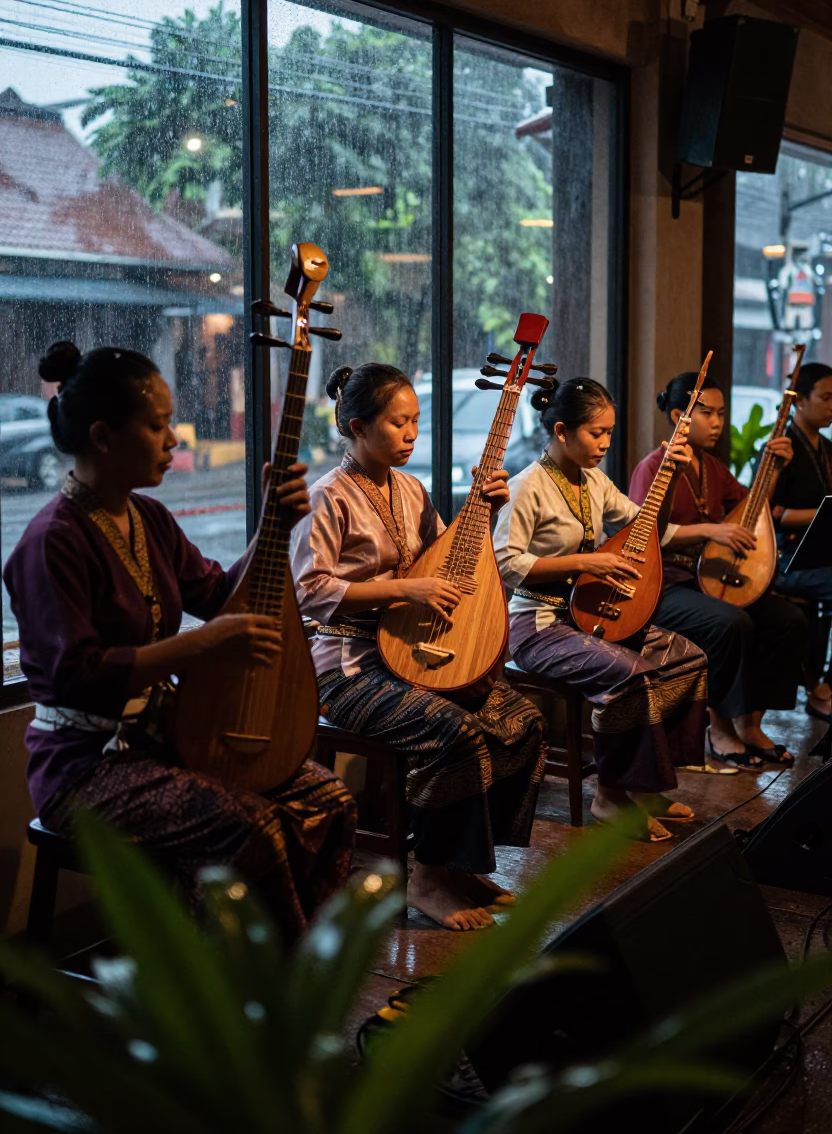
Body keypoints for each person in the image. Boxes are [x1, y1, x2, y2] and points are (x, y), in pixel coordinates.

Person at [3, 342, 356, 943]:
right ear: (103, 437)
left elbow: (221, 594)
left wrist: (276, 524)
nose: (174, 441)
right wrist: (203, 646)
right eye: (157, 426)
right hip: (84, 767)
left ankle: (294, 971)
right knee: (254, 831)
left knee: (330, 800)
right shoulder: (50, 542)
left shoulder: (150, 519)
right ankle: (243, 1001)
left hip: (163, 740)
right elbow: (76, 676)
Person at [290, 363, 546, 932]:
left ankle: (463, 865)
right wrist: (406, 588)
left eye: (414, 423)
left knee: (521, 719)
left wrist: (487, 510)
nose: (411, 434)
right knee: (452, 732)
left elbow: (448, 560)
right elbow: (310, 592)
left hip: (411, 649)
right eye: (397, 423)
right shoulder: (325, 498)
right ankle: (426, 879)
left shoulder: (411, 490)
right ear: (357, 426)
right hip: (345, 667)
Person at [493, 377, 707, 843]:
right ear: (563, 431)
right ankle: (610, 796)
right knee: (630, 674)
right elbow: (506, 564)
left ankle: (648, 785)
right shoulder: (527, 486)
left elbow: (647, 525)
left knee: (686, 657)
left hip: (589, 617)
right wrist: (585, 561)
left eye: (610, 432)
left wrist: (668, 474)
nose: (606, 443)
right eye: (597, 433)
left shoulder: (593, 481)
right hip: (537, 624)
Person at [630, 372, 805, 769]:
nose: (717, 423)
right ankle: (719, 728)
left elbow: (751, 511)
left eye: (721, 414)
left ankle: (751, 723)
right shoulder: (653, 466)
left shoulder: (712, 467)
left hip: (706, 578)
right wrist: (710, 530)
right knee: (731, 622)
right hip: (664, 586)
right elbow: (644, 536)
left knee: (787, 618)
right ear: (678, 416)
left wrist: (772, 468)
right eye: (706, 413)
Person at [769, 361, 832, 719]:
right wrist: (823, 514)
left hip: (820, 553)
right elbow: (772, 513)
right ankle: (820, 687)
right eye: (825, 397)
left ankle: (825, 683)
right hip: (787, 556)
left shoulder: (826, 448)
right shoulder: (783, 446)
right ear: (800, 402)